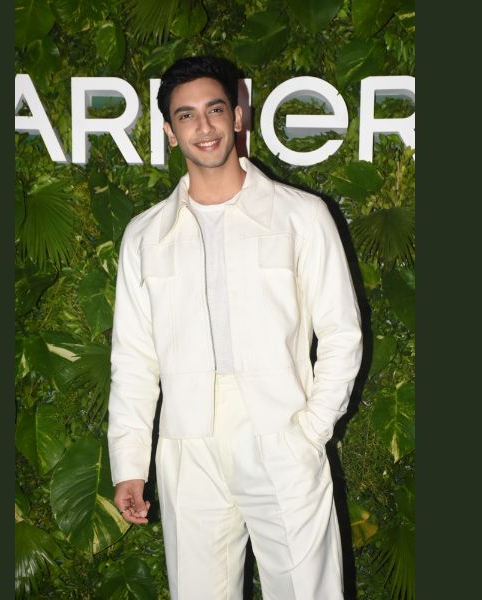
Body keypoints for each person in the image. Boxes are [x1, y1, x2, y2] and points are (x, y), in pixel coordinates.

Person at [107, 56, 362, 599]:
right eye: (186, 116)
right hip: (187, 444)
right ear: (170, 132)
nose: (204, 126)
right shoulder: (145, 236)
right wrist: (129, 462)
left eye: (215, 109)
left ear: (238, 115)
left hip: (281, 432)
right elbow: (133, 359)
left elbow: (342, 334)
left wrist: (310, 432)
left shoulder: (301, 216)